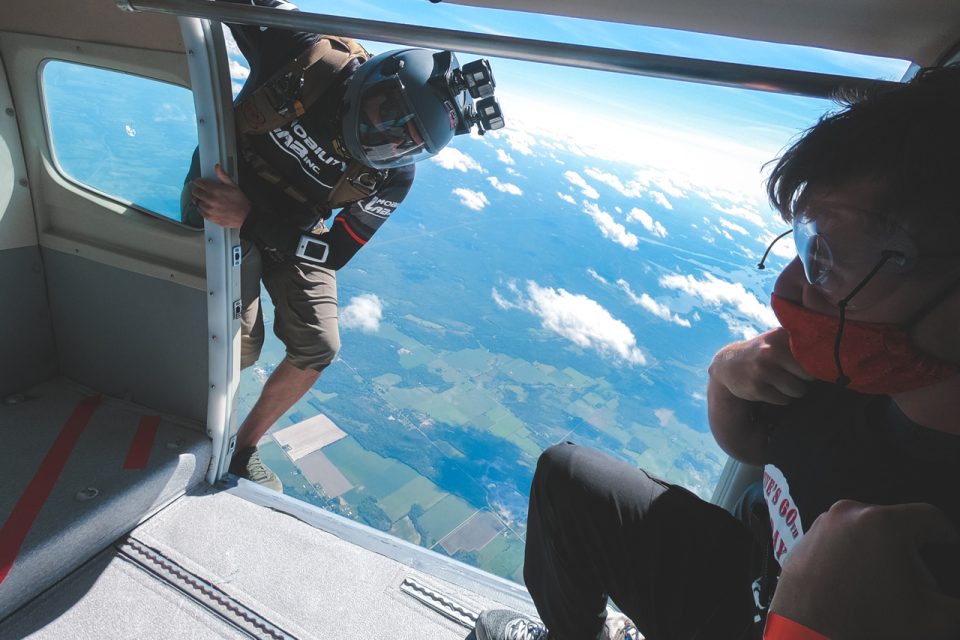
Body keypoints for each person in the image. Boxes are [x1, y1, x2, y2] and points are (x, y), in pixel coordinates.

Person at [474, 63, 960, 640]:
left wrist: (807, 630)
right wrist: (725, 380)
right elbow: (771, 455)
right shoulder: (844, 376)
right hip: (747, 580)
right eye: (809, 247)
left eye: (834, 260)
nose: (796, 287)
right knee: (567, 477)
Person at [184, 0, 502, 489]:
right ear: (374, 79)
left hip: (280, 225)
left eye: (407, 142)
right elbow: (238, 10)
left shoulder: (392, 176)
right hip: (224, 190)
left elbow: (331, 254)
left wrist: (254, 219)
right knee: (239, 343)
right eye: (391, 116)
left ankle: (240, 448)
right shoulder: (308, 57)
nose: (388, 141)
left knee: (319, 345)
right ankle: (179, 414)